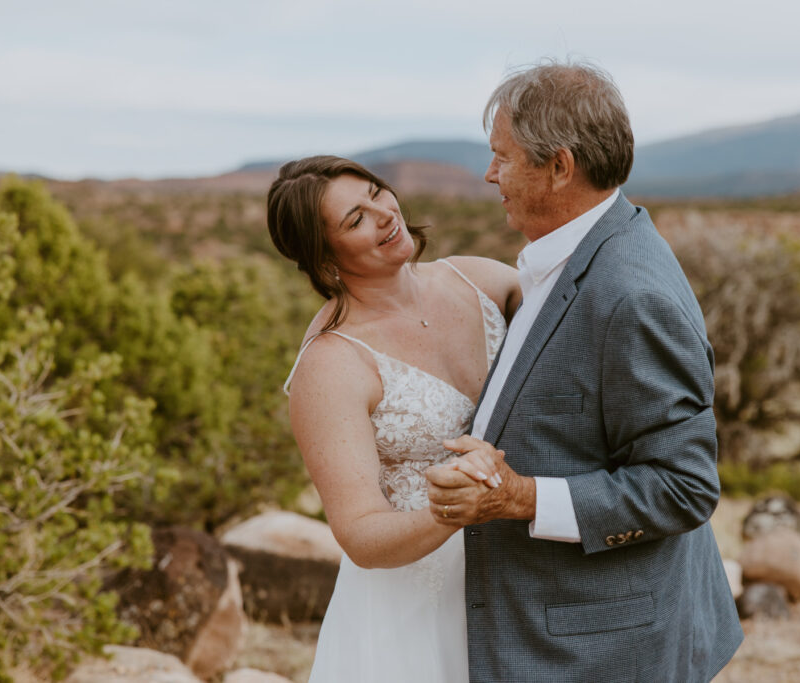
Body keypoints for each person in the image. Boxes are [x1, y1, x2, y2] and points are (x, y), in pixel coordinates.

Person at [426, 60, 744, 682]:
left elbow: (684, 487)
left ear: (560, 167)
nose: (490, 174)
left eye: (503, 157)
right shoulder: (568, 257)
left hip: (603, 652)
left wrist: (517, 497)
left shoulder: (630, 293)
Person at [267, 156, 519, 683]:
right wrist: (453, 510)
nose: (384, 214)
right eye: (355, 219)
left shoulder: (478, 280)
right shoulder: (331, 364)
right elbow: (360, 534)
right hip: (413, 617)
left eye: (377, 193)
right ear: (324, 257)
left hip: (520, 584)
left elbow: (577, 312)